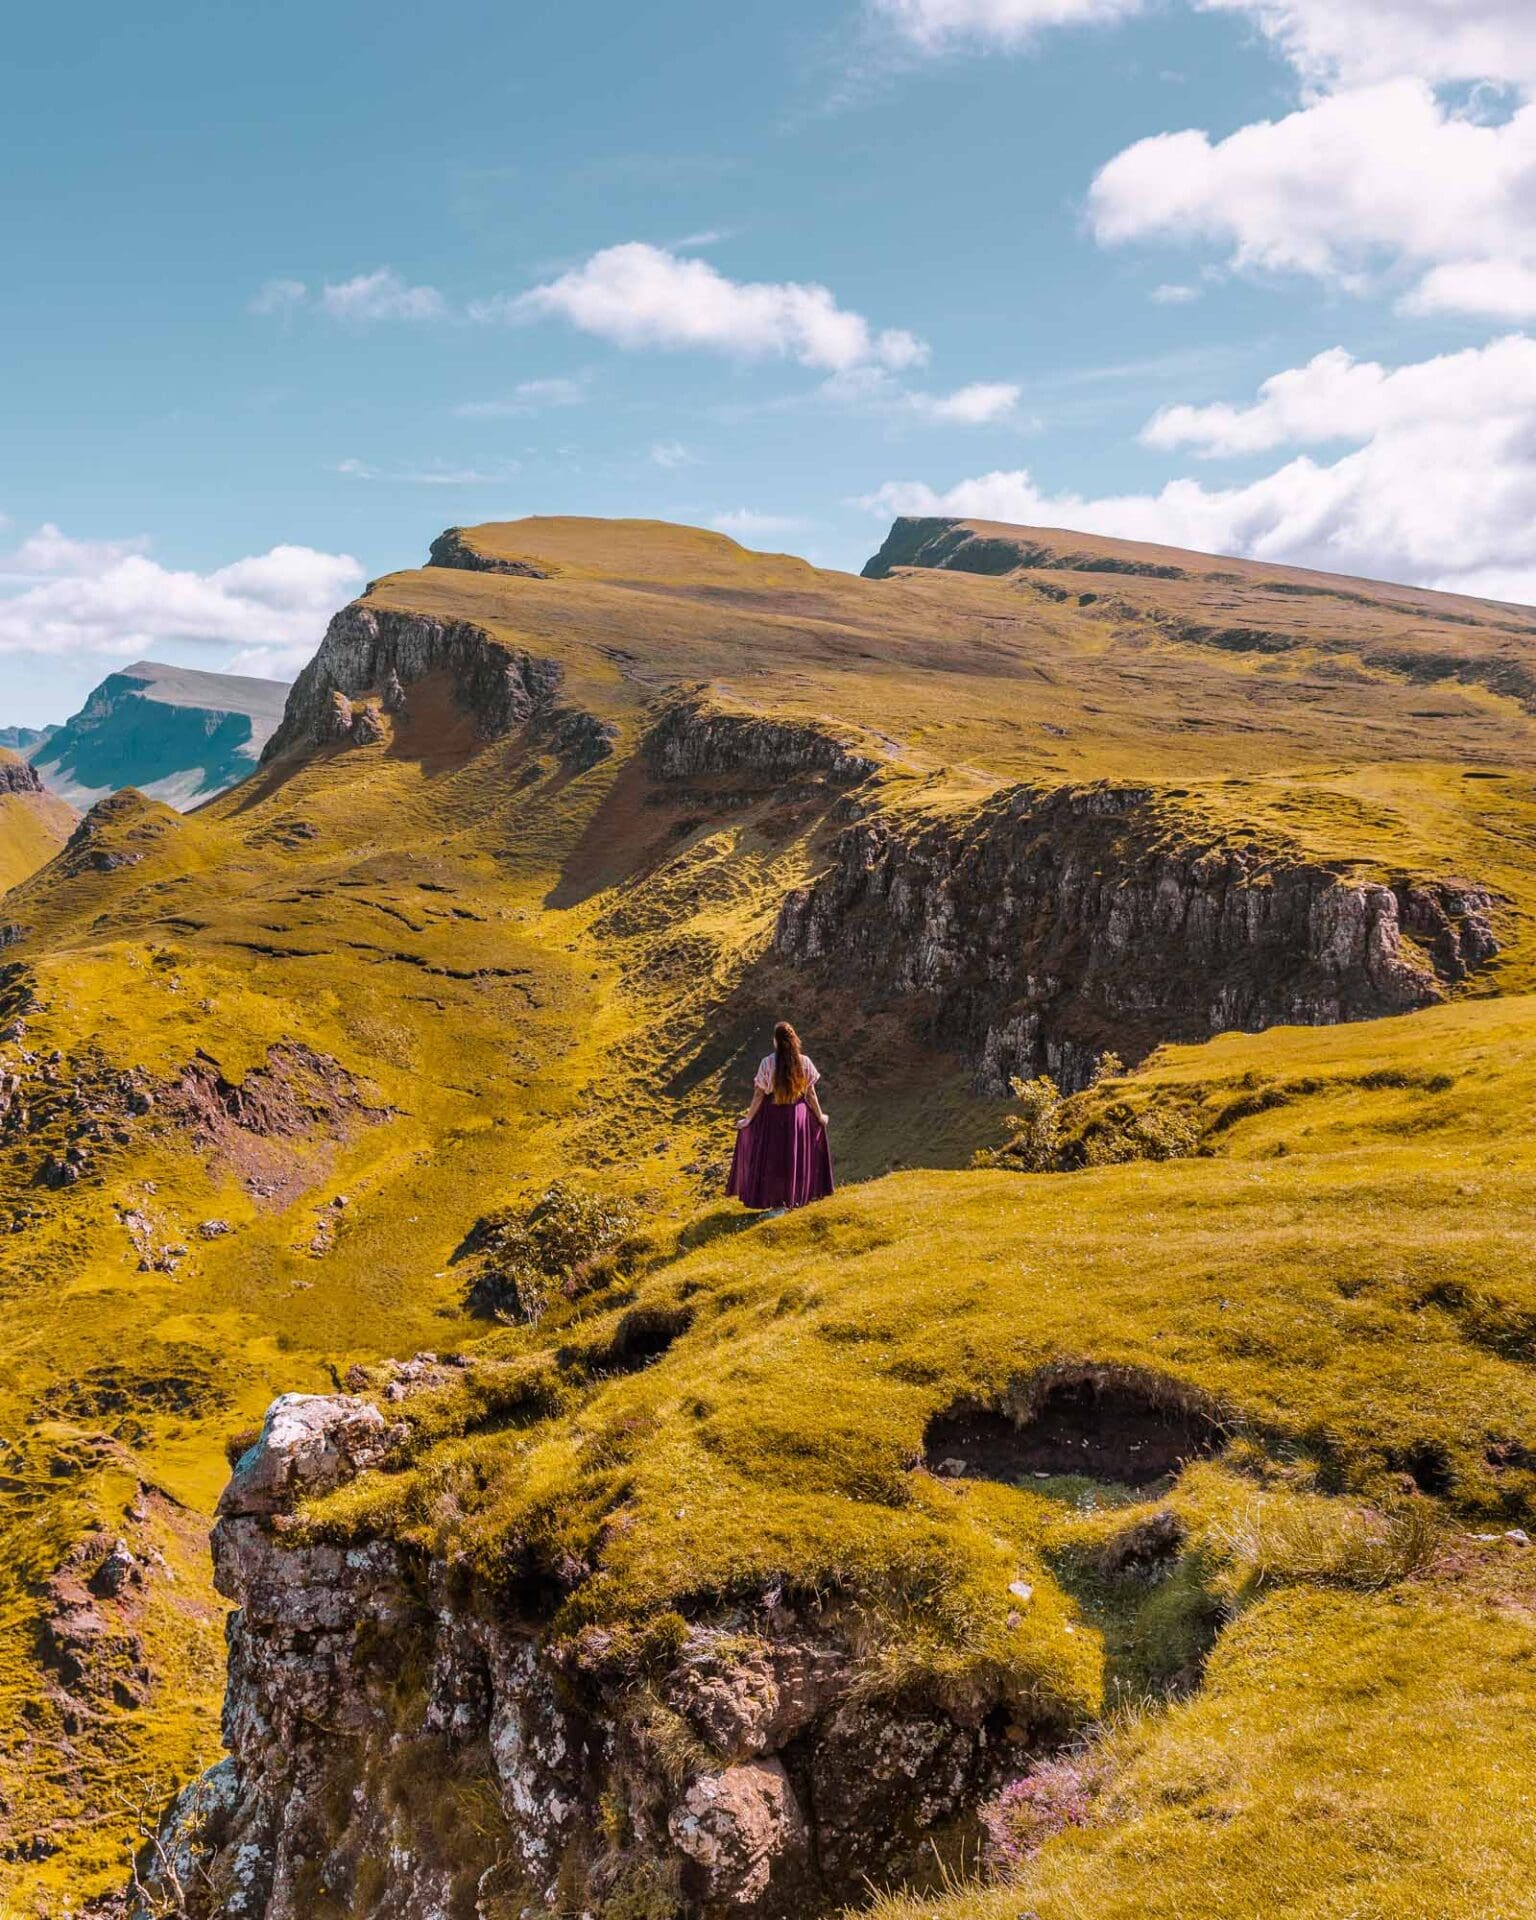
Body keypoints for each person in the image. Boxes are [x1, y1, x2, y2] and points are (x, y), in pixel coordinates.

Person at [726, 1020, 834, 1213]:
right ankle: (797, 1198)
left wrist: (748, 1119)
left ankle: (777, 1203)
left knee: (774, 1159)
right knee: (795, 1155)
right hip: (798, 1115)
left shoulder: (767, 1063)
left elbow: (759, 1094)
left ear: (775, 1041)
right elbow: (810, 1094)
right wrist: (820, 1116)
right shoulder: (804, 1062)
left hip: (773, 1115)